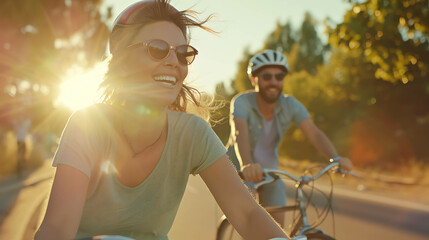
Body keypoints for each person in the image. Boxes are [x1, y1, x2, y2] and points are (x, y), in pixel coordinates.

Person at [34, 1, 291, 239]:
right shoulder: (87, 125)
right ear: (121, 62)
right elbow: (58, 226)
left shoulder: (193, 133)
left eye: (183, 54)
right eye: (157, 49)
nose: (173, 62)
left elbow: (246, 214)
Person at [227, 49, 353, 226]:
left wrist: (335, 157)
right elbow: (239, 133)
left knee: (278, 231)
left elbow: (314, 133)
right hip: (240, 170)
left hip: (271, 173)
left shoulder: (290, 104)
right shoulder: (242, 102)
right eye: (267, 77)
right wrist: (247, 164)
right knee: (250, 224)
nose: (274, 82)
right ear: (255, 79)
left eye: (279, 77)